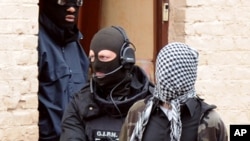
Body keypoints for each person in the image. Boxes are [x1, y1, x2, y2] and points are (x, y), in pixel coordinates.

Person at [59, 26, 154, 141]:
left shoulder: (151, 103)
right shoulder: (80, 103)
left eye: (104, 57)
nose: (97, 65)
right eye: (92, 57)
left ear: (125, 59)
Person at [119, 42, 228, 141]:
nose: (167, 79)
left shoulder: (210, 121)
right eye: (164, 70)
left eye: (175, 73)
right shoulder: (138, 112)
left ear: (188, 76)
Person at [37, 0, 89, 140]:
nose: (72, 9)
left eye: (77, 2)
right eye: (63, 1)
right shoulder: (36, 42)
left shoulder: (76, 45)